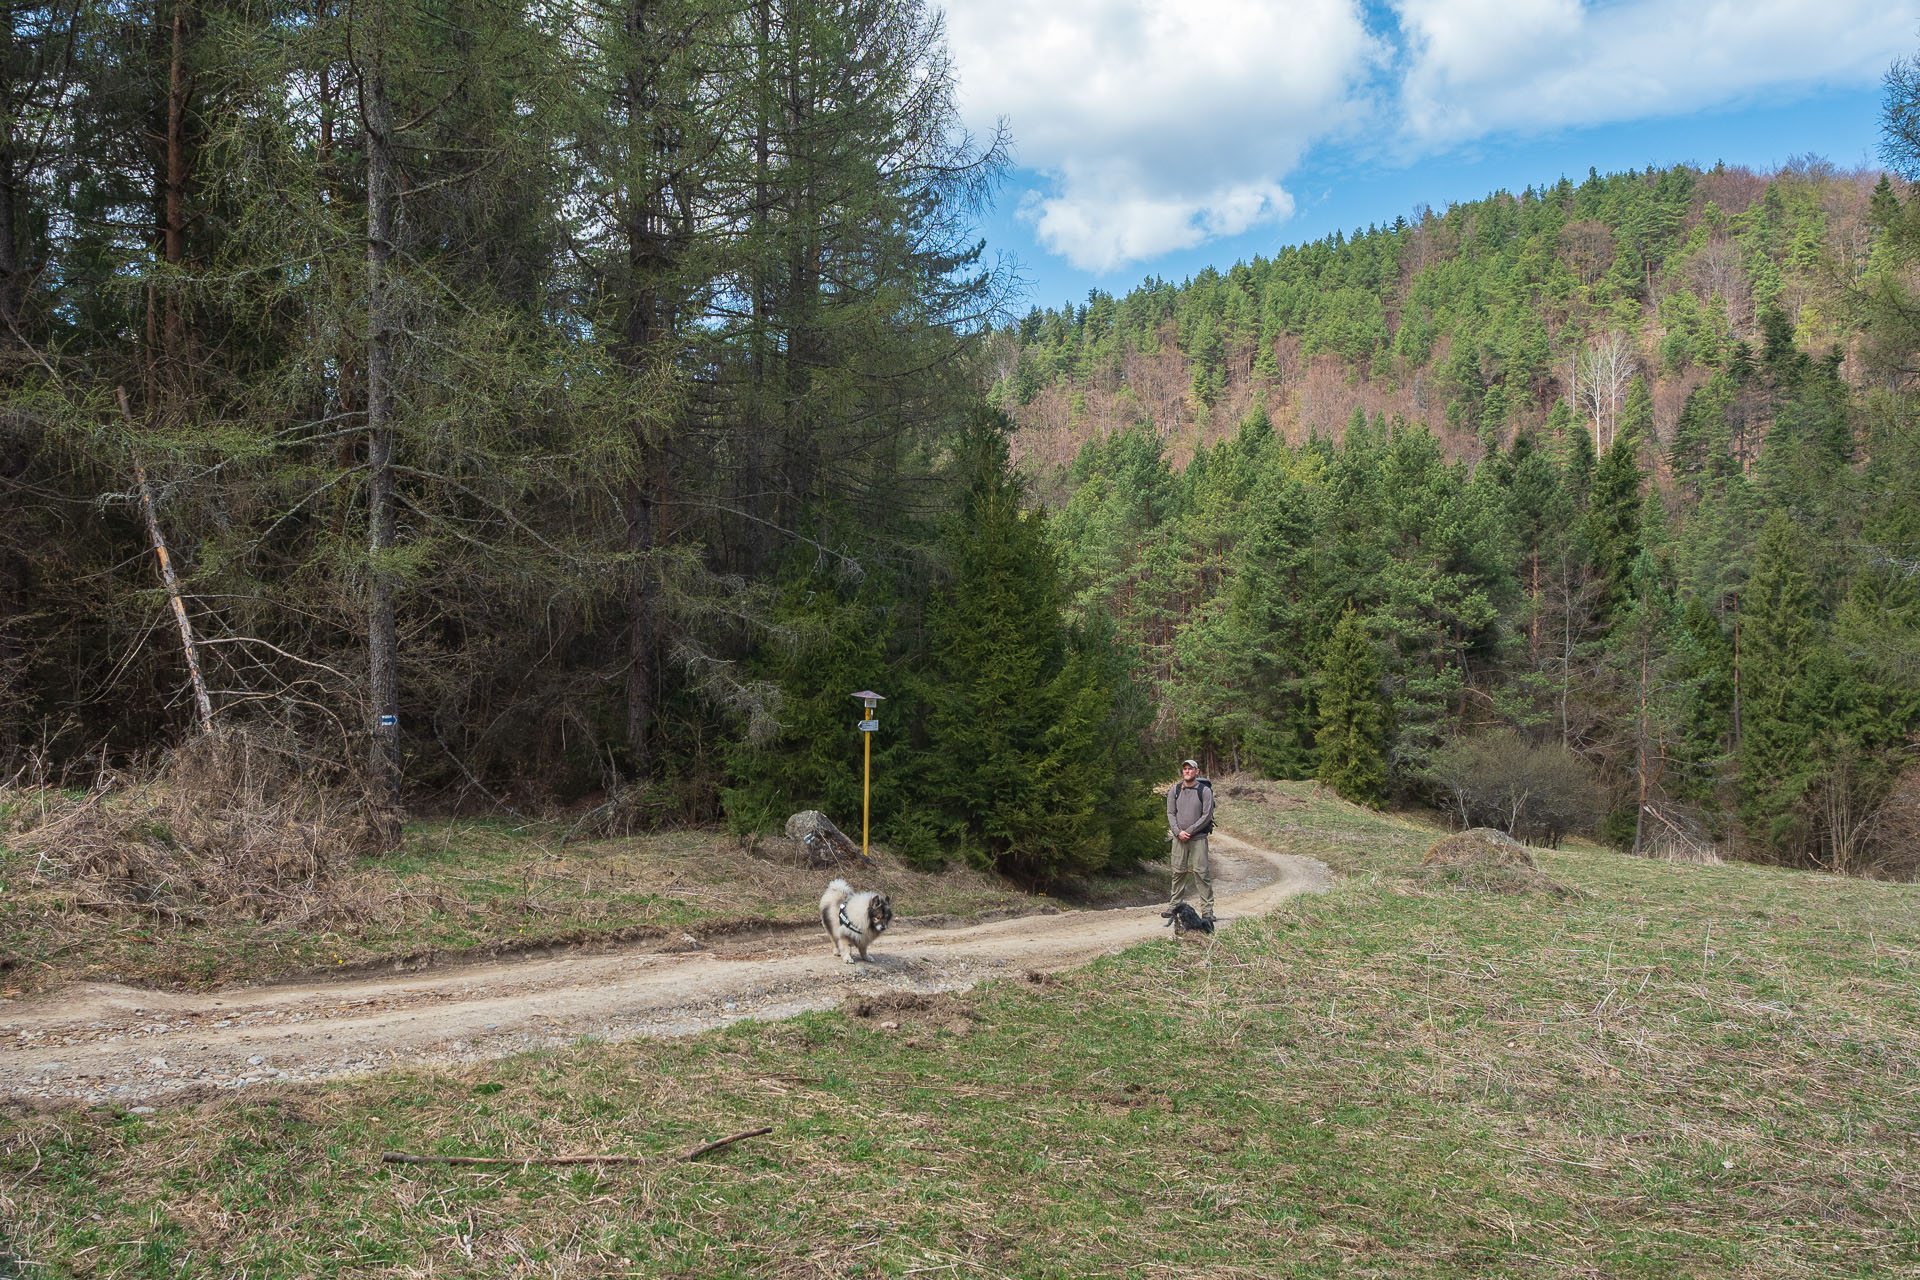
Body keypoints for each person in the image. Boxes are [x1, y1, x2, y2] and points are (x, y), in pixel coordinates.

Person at [1166, 758, 1215, 920]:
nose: (1187, 771)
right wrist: (1178, 832)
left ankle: (1207, 911)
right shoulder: (1175, 790)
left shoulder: (1204, 791)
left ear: (1197, 771)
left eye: (1190, 769)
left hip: (1198, 838)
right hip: (1179, 839)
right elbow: (1170, 813)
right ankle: (1174, 907)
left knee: (1202, 873)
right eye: (1185, 769)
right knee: (1178, 872)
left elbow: (1206, 815)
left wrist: (1190, 831)